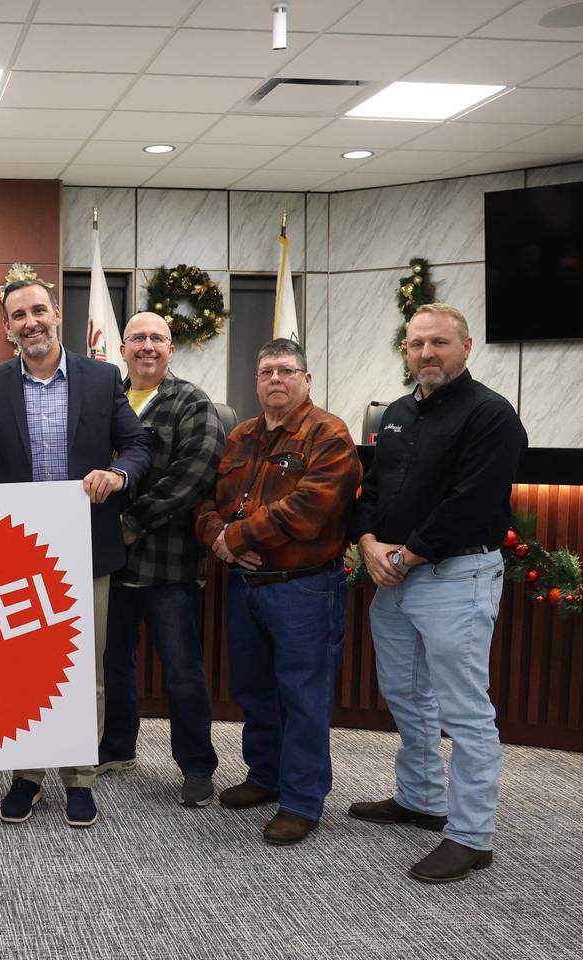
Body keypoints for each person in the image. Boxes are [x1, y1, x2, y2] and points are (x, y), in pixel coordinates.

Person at [0, 278, 152, 829]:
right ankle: (26, 774)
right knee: (19, 669)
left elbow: (136, 446)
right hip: (14, 556)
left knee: (82, 669)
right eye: (18, 315)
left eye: (38, 310)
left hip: (86, 548)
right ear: (7, 328)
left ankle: (79, 777)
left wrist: (117, 476)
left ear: (56, 314)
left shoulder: (101, 377)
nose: (30, 322)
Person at [349, 302, 527, 884]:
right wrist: (371, 543)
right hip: (393, 575)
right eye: (417, 344)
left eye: (439, 344)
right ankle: (422, 798)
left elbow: (473, 503)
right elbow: (371, 489)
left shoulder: (491, 415)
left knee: (465, 710)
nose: (426, 353)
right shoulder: (398, 413)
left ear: (466, 347)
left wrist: (405, 554)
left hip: (455, 577)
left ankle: (472, 835)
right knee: (405, 694)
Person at [192, 337, 361, 846]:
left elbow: (311, 509)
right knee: (254, 690)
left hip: (303, 589)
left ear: (306, 380)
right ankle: (265, 776)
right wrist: (217, 541)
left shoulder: (328, 434)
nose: (275, 380)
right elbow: (206, 499)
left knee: (303, 696)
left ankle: (302, 801)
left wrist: (234, 537)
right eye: (266, 371)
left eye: (286, 371)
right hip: (245, 586)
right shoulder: (240, 434)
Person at [98, 312, 225, 808]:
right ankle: (117, 748)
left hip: (168, 566)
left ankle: (196, 766)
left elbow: (196, 473)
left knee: (182, 670)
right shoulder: (105, 400)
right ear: (122, 349)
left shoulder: (191, 401)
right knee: (114, 666)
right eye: (138, 338)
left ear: (171, 350)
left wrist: (135, 521)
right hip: (111, 564)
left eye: (158, 338)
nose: (147, 346)